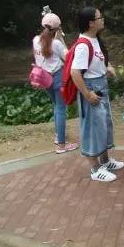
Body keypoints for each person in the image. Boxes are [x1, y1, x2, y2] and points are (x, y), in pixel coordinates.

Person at [70, 6, 124, 182]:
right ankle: (94, 169)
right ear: (91, 23)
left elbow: (96, 62)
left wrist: (107, 68)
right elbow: (75, 72)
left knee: (103, 125)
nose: (102, 19)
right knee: (93, 128)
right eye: (99, 17)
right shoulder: (83, 45)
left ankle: (105, 161)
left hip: (100, 87)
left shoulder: (94, 40)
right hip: (92, 90)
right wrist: (87, 94)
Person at [32, 10, 78, 154]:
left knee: (56, 107)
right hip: (57, 78)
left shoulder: (35, 40)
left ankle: (59, 136)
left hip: (44, 78)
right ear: (57, 29)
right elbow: (68, 57)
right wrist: (61, 39)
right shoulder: (56, 44)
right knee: (61, 109)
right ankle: (62, 145)